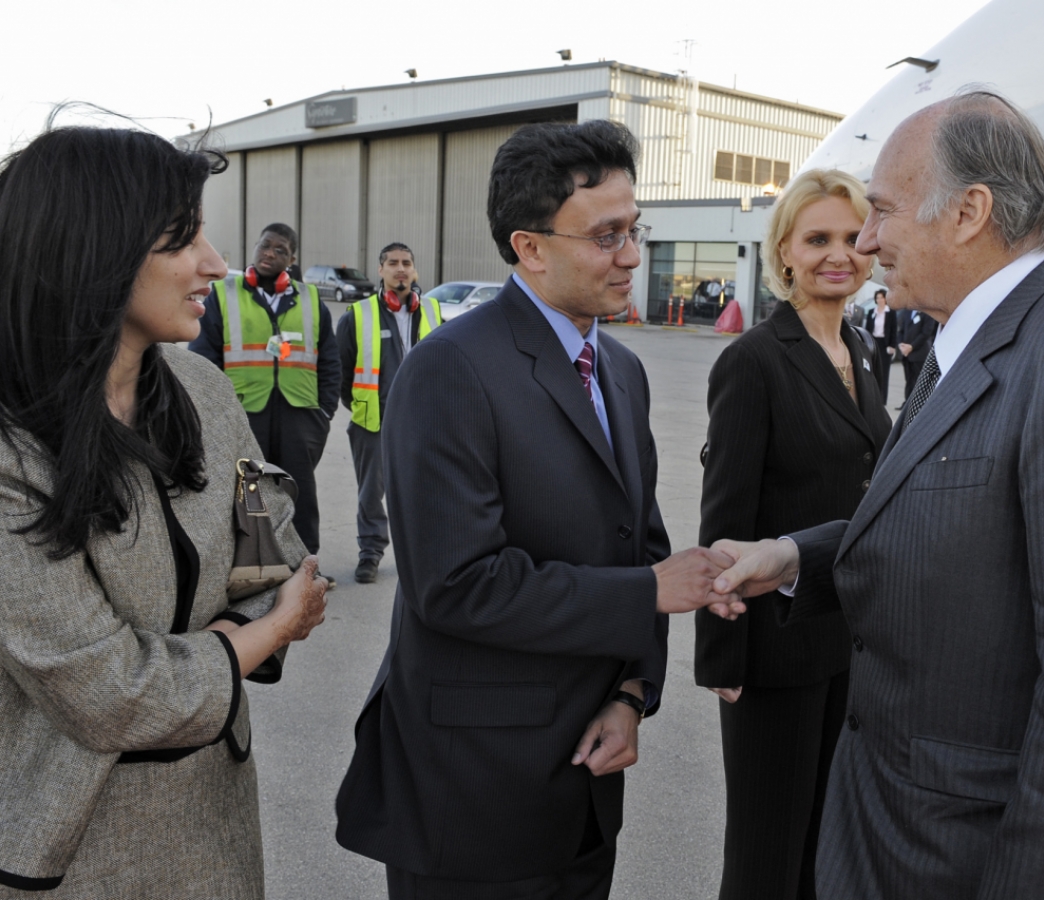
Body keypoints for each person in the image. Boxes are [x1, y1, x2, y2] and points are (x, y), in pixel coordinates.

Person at [710, 90, 1044, 898]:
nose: (868, 240)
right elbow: (960, 526)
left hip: (982, 854)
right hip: (910, 835)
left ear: (969, 211)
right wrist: (797, 555)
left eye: (883, 212)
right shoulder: (974, 343)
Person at [334, 119, 743, 900]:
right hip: (476, 787)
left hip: (586, 775)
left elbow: (639, 546)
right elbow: (456, 585)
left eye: (635, 229)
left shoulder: (619, 370)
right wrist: (649, 593)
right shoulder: (449, 368)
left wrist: (631, 694)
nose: (632, 254)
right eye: (608, 235)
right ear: (530, 247)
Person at [0, 125, 328, 897]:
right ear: (92, 254)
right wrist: (265, 633)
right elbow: (104, 693)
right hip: (54, 836)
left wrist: (221, 642)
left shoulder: (204, 391)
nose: (216, 263)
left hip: (206, 816)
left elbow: (274, 553)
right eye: (182, 239)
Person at [695, 169, 891, 900]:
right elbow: (725, 520)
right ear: (784, 253)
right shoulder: (754, 361)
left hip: (849, 638)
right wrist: (724, 655)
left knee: (825, 841)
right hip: (773, 648)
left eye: (850, 237)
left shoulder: (864, 354)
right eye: (817, 239)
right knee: (766, 853)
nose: (838, 254)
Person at [188, 222, 341, 560]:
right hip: (244, 413)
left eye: (280, 249)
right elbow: (203, 357)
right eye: (264, 246)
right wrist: (218, 412)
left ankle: (305, 567)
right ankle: (246, 569)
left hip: (300, 416)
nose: (269, 253)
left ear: (293, 258)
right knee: (243, 494)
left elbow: (330, 361)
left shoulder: (311, 299)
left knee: (297, 493)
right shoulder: (224, 294)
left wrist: (324, 413)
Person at [335, 242, 443, 584]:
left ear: (415, 271)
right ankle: (370, 553)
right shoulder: (358, 315)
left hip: (423, 422)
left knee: (423, 491)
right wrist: (362, 405)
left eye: (406, 263)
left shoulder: (433, 310)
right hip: (373, 421)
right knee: (371, 494)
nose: (401, 269)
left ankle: (423, 553)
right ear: (380, 271)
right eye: (392, 263)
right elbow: (342, 371)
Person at [894, 303, 936, 398]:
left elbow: (926, 333)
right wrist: (901, 345)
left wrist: (911, 346)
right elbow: (901, 330)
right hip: (906, 354)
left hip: (919, 354)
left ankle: (917, 404)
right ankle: (906, 404)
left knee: (918, 381)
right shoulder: (908, 312)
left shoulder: (927, 313)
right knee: (908, 380)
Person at [864, 288, 897, 397]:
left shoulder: (890, 313)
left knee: (884, 371)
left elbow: (893, 330)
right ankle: (872, 395)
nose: (879, 300)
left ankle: (882, 398)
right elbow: (867, 329)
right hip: (873, 342)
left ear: (885, 299)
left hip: (885, 344)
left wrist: (892, 345)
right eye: (877, 298)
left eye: (881, 297)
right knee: (871, 369)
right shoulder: (871, 312)